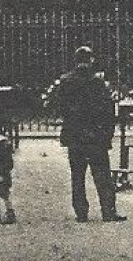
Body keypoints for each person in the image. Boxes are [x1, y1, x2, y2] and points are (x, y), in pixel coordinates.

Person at [51, 47, 126, 223]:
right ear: (91, 60)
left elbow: (60, 107)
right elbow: (107, 109)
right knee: (102, 175)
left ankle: (81, 212)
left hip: (75, 134)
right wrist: (107, 133)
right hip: (95, 134)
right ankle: (108, 211)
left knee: (77, 175)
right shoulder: (97, 82)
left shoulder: (66, 81)